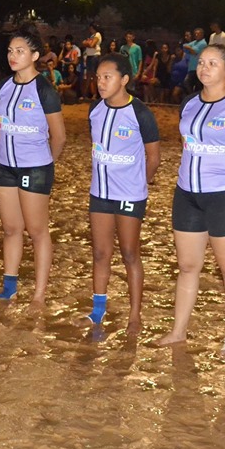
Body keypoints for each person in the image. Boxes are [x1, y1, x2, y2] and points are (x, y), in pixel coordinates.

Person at [156, 44, 225, 357]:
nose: (205, 68)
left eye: (214, 63)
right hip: (187, 194)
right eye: (202, 62)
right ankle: (178, 331)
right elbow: (187, 145)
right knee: (188, 266)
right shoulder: (189, 103)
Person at [87, 53, 161, 333]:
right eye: (98, 77)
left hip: (129, 195)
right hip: (100, 193)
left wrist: (138, 185)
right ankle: (97, 311)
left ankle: (134, 314)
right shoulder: (95, 110)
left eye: (108, 77)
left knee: (130, 252)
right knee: (100, 252)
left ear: (125, 80)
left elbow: (153, 157)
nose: (101, 82)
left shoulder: (140, 112)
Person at [0, 22, 66, 308]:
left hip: (34, 168)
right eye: (11, 51)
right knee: (11, 229)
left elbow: (59, 137)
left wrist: (44, 165)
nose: (13, 56)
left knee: (37, 231)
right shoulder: (5, 86)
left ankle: (38, 294)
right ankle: (8, 288)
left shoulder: (44, 89)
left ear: (35, 55)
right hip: (5, 167)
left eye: (20, 51)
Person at [182, 27, 207, 93]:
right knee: (187, 83)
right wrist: (190, 49)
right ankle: (192, 97)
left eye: (198, 34)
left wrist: (190, 49)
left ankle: (194, 97)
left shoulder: (203, 43)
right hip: (192, 68)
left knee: (196, 85)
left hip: (198, 68)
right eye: (195, 34)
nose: (196, 35)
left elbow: (194, 52)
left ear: (202, 34)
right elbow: (184, 47)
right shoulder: (194, 42)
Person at [81, 23, 102, 100]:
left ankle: (95, 94)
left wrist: (86, 43)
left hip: (94, 56)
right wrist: (87, 43)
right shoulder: (92, 36)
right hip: (90, 56)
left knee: (94, 76)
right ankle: (86, 94)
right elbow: (85, 43)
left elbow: (92, 45)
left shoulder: (97, 34)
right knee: (89, 75)